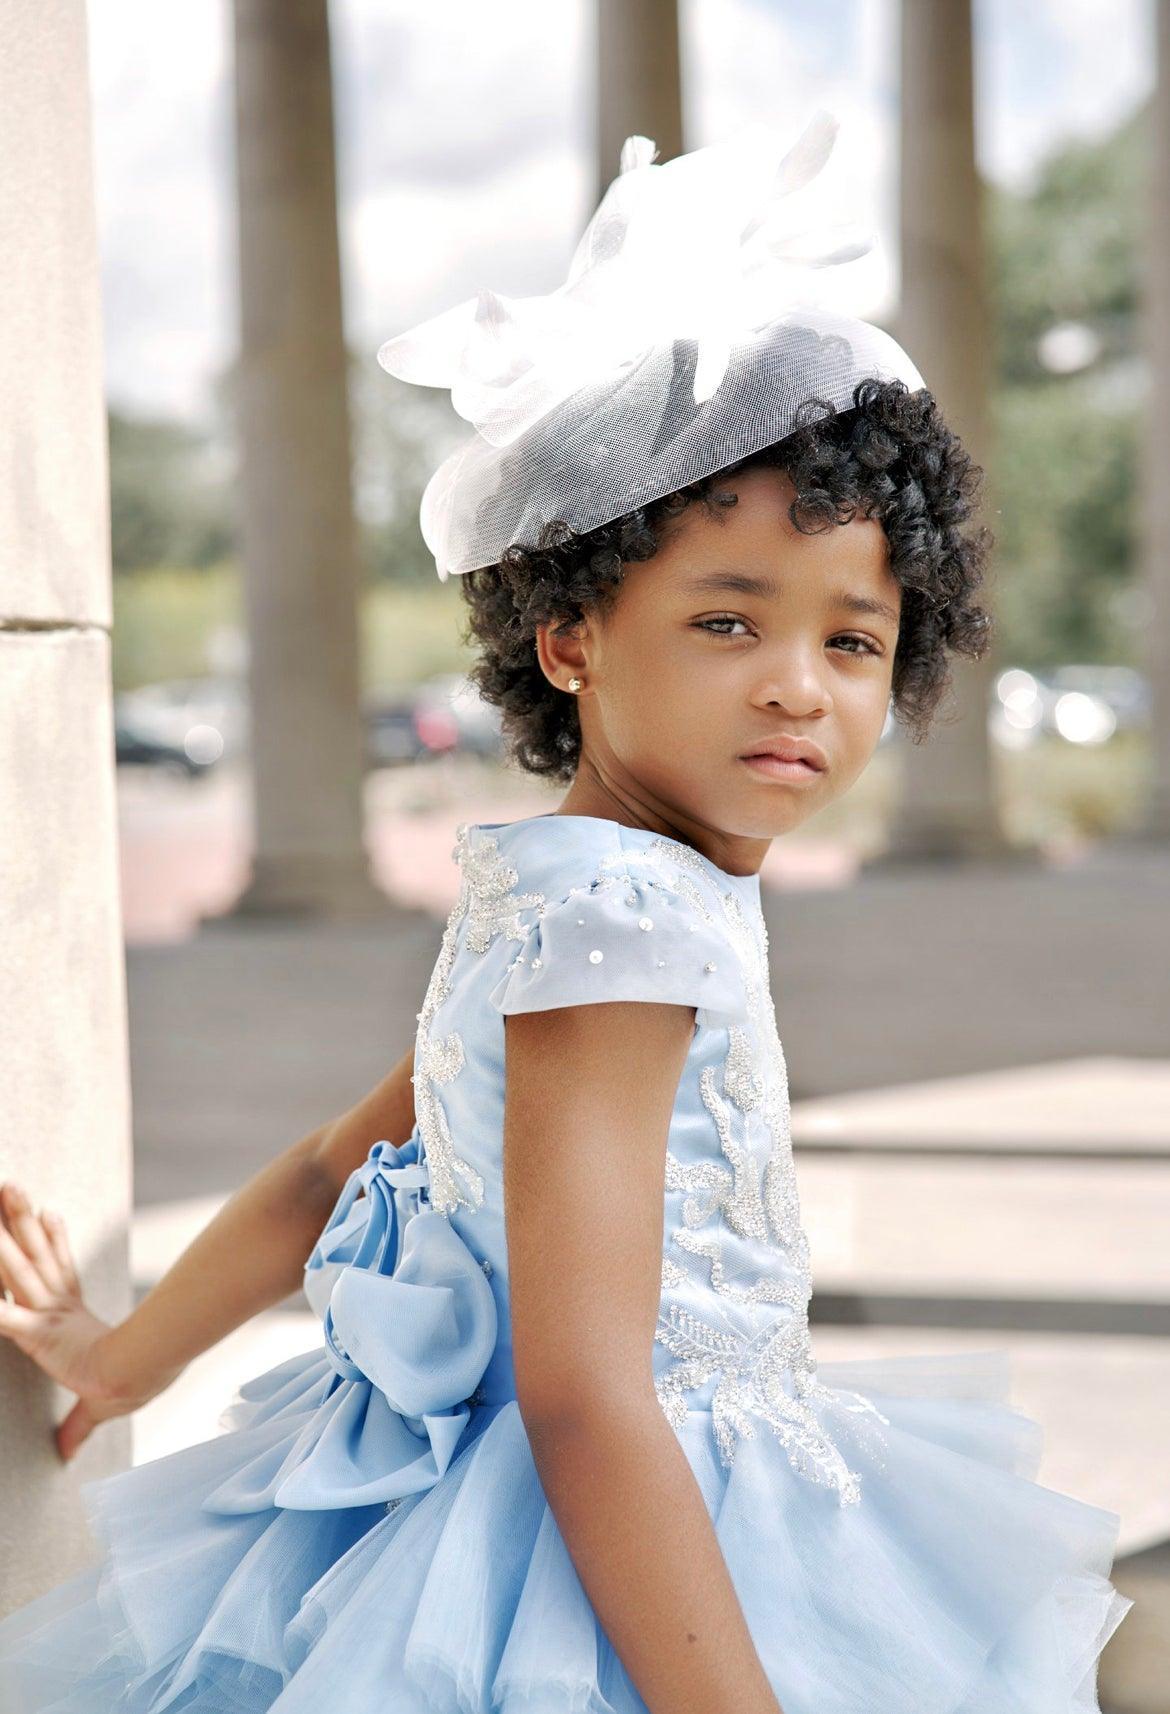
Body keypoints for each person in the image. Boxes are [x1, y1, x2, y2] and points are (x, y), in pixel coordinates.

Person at [0, 115, 1132, 1714]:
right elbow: (588, 1392)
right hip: (619, 1555)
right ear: (569, 635)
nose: (796, 684)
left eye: (854, 640)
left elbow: (341, 1164)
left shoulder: (571, 883)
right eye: (725, 619)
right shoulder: (625, 923)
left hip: (541, 1515)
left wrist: (125, 1356)